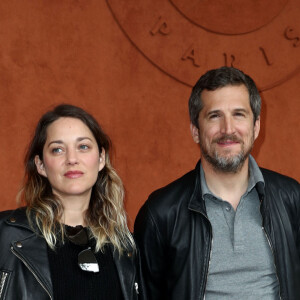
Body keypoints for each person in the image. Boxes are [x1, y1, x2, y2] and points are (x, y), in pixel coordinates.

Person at [134, 67, 300, 300]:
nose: (228, 129)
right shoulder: (161, 213)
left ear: (256, 127)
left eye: (239, 114)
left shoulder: (292, 199)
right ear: (195, 131)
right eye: (215, 116)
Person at [0, 104, 145, 300]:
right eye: (58, 149)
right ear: (41, 165)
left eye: (83, 146)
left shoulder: (125, 248)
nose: (72, 159)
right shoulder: (6, 235)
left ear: (101, 158)